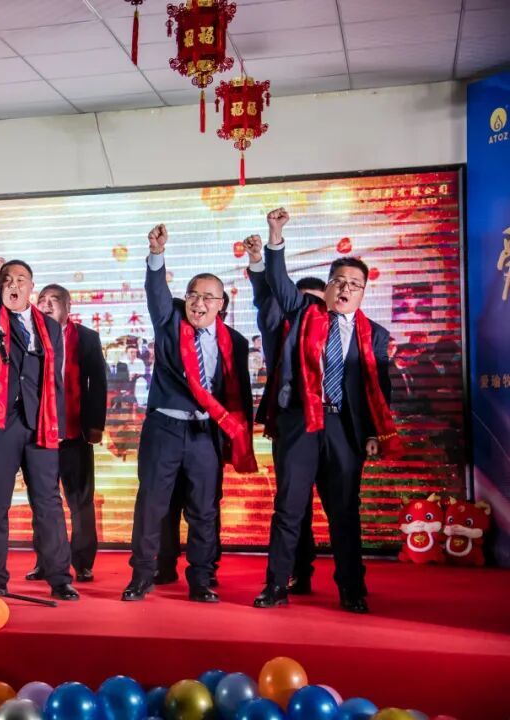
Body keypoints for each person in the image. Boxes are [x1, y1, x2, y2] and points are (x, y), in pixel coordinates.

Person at [254, 208, 400, 614]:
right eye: (339, 281)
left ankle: (352, 589)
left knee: (344, 513)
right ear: (329, 286)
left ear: (363, 292)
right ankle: (275, 586)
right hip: (302, 424)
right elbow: (279, 282)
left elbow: (379, 389)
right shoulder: (304, 313)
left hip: (344, 430)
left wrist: (373, 433)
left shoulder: (375, 335)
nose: (345, 288)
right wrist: (275, 235)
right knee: (289, 508)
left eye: (354, 284)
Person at [123, 224, 255, 604]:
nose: (199, 303)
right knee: (151, 506)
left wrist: (238, 436)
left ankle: (201, 579)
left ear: (221, 305)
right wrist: (156, 254)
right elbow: (156, 292)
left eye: (208, 297)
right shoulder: (170, 323)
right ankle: (141, 576)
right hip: (164, 429)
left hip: (205, 434)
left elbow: (239, 393)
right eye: (193, 295)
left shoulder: (235, 342)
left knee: (204, 509)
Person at [0, 209, 79, 601]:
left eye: (20, 279)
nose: (13, 284)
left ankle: (59, 577)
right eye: (7, 279)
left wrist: (59, 424)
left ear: (31, 288)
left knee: (48, 503)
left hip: (40, 424)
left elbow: (55, 379)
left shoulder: (50, 326)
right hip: (0, 423)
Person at [245, 232, 327, 595]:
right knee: (294, 502)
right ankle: (292, 573)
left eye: (317, 303)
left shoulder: (342, 331)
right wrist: (258, 262)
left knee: (341, 505)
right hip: (294, 422)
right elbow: (267, 296)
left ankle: (349, 582)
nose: (310, 310)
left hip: (335, 424)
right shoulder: (278, 327)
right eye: (302, 301)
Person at [25, 283, 106, 583]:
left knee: (80, 502)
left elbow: (98, 383)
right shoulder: (30, 336)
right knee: (42, 503)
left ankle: (82, 562)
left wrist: (95, 425)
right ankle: (45, 561)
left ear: (68, 307)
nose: (46, 305)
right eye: (42, 300)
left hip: (74, 433)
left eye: (54, 300)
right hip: (40, 435)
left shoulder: (86, 337)